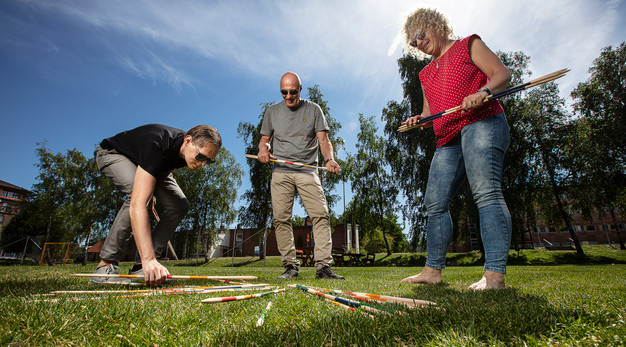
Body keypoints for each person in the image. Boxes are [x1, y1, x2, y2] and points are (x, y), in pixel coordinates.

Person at [399, 8, 513, 290]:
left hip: (481, 122)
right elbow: (430, 113)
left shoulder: (467, 44)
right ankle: (432, 271)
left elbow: (501, 74)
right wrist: (420, 120)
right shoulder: (425, 73)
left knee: (486, 193)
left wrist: (483, 92)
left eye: (420, 37)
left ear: (434, 26)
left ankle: (494, 276)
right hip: (447, 137)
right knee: (434, 203)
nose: (418, 45)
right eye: (413, 43)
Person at [91, 123, 221, 286]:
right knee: (136, 196)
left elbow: (162, 167)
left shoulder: (183, 152)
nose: (203, 164)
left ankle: (140, 267)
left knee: (179, 204)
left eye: (209, 161)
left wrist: (150, 189)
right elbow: (137, 205)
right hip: (115, 154)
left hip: (148, 164)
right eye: (201, 157)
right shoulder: (158, 144)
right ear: (188, 140)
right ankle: (105, 266)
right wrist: (149, 258)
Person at [258, 72, 344, 280]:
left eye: (292, 92)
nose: (288, 96)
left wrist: (329, 160)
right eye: (284, 92)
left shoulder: (314, 109)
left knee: (321, 215)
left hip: (307, 170)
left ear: (300, 89)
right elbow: (265, 140)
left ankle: (323, 267)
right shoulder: (272, 111)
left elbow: (324, 140)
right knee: (281, 219)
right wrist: (263, 150)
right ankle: (290, 266)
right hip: (281, 170)